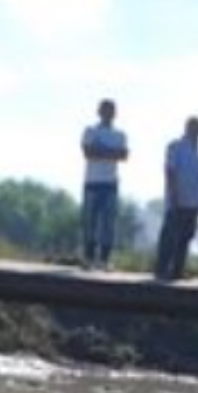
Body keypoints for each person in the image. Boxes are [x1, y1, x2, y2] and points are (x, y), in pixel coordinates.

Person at [153, 116, 198, 281]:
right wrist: (174, 195)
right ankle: (161, 269)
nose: (197, 131)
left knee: (186, 237)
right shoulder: (176, 146)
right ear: (187, 127)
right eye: (194, 127)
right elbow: (170, 171)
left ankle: (177, 270)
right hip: (178, 200)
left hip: (193, 202)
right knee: (170, 236)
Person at [80, 98, 129, 269]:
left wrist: (100, 151)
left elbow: (123, 155)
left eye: (111, 110)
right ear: (99, 112)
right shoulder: (90, 131)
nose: (108, 113)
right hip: (92, 181)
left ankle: (105, 259)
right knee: (89, 222)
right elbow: (88, 153)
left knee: (108, 224)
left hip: (110, 183)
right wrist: (111, 153)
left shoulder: (120, 135)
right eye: (105, 110)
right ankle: (88, 258)